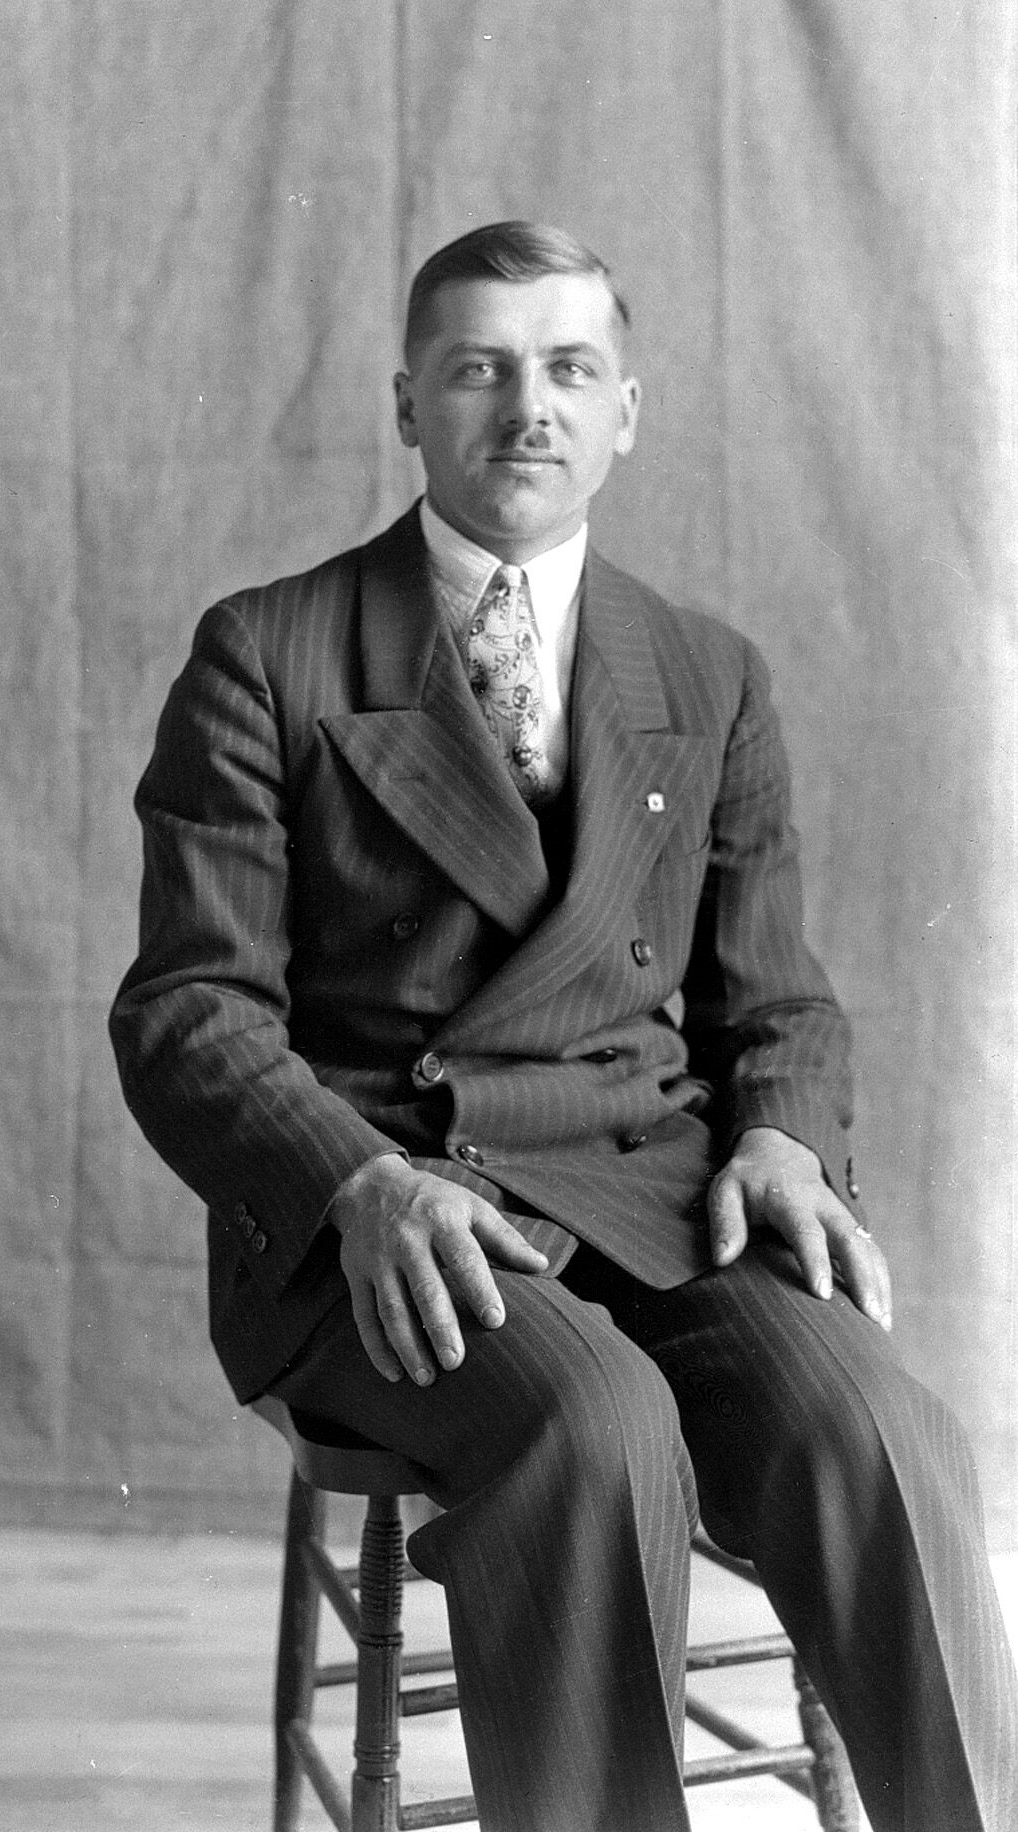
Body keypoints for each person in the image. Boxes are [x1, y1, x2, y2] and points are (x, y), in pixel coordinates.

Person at [110, 221, 1017, 1831]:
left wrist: (787, 1134)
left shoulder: (709, 674)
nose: (527, 408)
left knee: (884, 1429)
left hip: (648, 1194)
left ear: (627, 412)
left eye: (568, 370)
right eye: (479, 369)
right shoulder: (271, 652)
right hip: (381, 1216)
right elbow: (189, 1011)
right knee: (597, 1430)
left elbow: (776, 991)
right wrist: (363, 1181)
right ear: (408, 403)